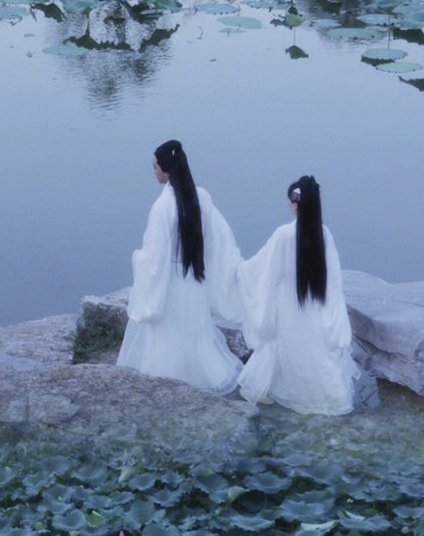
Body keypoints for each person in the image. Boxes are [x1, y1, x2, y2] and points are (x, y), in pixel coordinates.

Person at [116, 140, 244, 394]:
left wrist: (138, 258)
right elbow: (220, 238)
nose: (153, 172)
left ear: (166, 170)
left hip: (171, 286)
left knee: (168, 336)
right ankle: (198, 378)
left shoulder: (162, 207)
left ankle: (170, 383)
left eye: (155, 167)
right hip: (194, 281)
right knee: (194, 334)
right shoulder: (201, 197)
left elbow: (155, 260)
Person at [237, 175, 356, 415]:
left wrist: (240, 270)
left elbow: (264, 270)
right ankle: (329, 397)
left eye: (290, 201)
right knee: (317, 356)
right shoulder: (324, 234)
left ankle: (277, 390)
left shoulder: (283, 234)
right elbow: (333, 281)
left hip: (287, 310)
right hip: (313, 309)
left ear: (295, 203)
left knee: (278, 351)